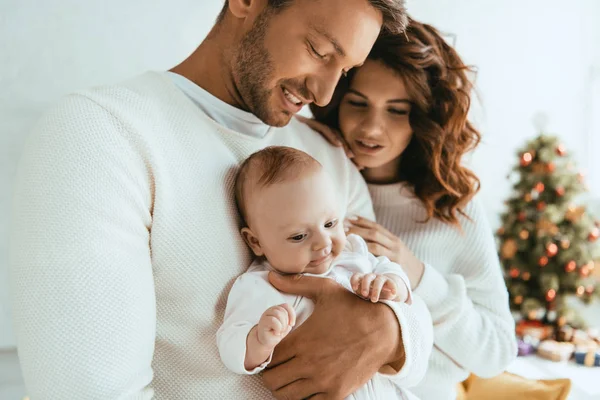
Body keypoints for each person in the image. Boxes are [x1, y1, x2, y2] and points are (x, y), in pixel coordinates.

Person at [9, 1, 434, 399]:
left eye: (344, 71)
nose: (324, 96)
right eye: (319, 50)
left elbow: (414, 340)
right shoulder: (100, 136)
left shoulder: (327, 156)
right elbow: (89, 390)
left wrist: (390, 330)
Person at [302, 18, 519, 400]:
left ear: (422, 119)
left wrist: (417, 275)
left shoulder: (455, 209)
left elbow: (497, 353)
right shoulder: (317, 182)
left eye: (397, 111)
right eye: (358, 103)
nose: (371, 128)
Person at [217, 146, 420, 400]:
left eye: (330, 224)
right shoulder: (259, 286)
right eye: (299, 236)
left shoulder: (353, 253)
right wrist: (258, 340)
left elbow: (391, 270)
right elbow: (229, 342)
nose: (323, 243)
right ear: (255, 242)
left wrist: (389, 284)